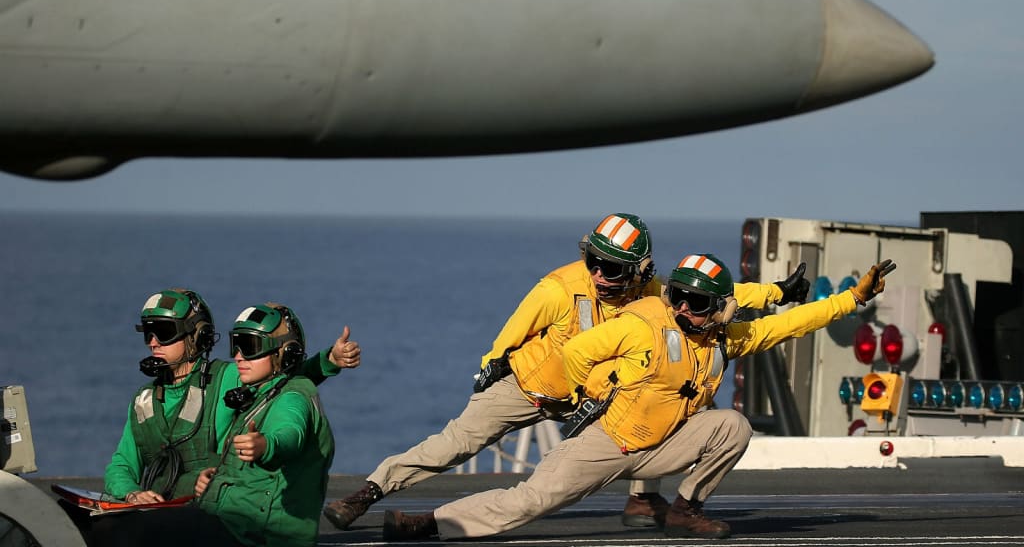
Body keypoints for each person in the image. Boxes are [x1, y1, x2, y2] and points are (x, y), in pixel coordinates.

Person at [324, 214, 811, 530]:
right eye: (594, 262)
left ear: (640, 271)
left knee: (667, 399)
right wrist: (489, 369)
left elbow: (718, 295)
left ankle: (643, 501)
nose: (600, 275)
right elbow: (508, 337)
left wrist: (776, 295)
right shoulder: (558, 288)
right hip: (531, 387)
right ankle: (368, 493)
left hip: (590, 399)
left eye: (613, 268)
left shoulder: (653, 293)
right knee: (454, 445)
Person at [380, 254, 896, 541]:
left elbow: (789, 324)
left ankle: (683, 509)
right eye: (677, 297)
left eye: (695, 302)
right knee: (530, 502)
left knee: (733, 426)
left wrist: (852, 299)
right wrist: (591, 394)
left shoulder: (728, 339)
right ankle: (429, 523)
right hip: (607, 441)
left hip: (661, 450)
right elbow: (578, 352)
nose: (681, 307)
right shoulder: (646, 323)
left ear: (719, 309)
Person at [93, 302, 337, 547]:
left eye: (164, 332)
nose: (153, 342)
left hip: (224, 520)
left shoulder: (226, 380)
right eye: (148, 332)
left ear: (196, 336)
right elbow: (121, 465)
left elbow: (285, 393)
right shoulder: (144, 401)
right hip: (186, 510)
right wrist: (133, 494)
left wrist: (326, 362)